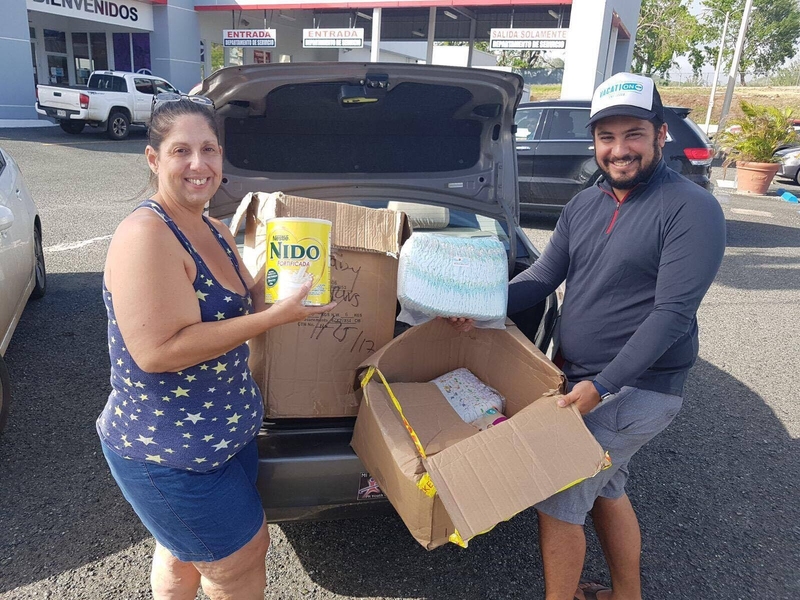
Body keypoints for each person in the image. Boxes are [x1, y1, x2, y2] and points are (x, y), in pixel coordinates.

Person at [450, 73, 725, 600]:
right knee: (607, 488)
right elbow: (540, 278)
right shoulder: (585, 204)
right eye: (607, 137)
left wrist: (602, 385)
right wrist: (480, 306)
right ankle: (627, 593)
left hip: (635, 388)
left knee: (557, 498)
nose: (619, 150)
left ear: (660, 135)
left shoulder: (690, 208)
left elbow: (671, 315)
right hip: (581, 378)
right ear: (594, 141)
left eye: (634, 135)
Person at [96, 94, 336, 600]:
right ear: (154, 158)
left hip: (227, 436)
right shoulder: (146, 234)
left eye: (209, 149)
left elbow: (244, 301)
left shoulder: (214, 227)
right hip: (169, 453)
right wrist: (272, 318)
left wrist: (293, 272)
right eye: (181, 150)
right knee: (240, 561)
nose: (199, 164)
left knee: (186, 554)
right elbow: (157, 351)